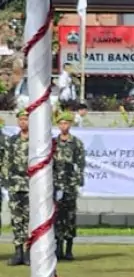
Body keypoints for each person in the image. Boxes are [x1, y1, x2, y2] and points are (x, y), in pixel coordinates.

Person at [53, 111, 86, 261]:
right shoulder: (53, 143)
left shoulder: (76, 143)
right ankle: (58, 247)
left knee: (70, 216)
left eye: (66, 123)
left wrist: (78, 182)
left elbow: (80, 164)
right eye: (61, 123)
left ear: (70, 125)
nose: (63, 126)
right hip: (56, 184)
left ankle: (69, 249)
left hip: (70, 184)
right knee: (57, 216)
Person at [2, 110, 32, 266]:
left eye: (26, 119)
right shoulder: (12, 141)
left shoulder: (36, 142)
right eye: (21, 119)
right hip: (15, 184)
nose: (23, 122)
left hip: (30, 185)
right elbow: (6, 162)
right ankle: (18, 252)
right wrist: (7, 182)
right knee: (16, 219)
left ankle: (28, 252)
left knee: (29, 220)